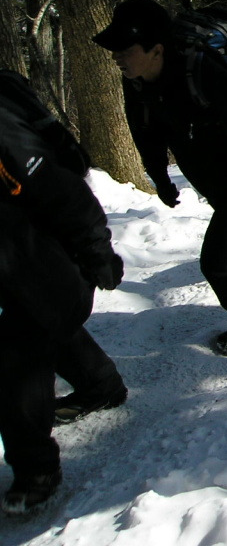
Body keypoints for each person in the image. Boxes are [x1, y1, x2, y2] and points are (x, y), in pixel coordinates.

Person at [93, 0, 227, 356]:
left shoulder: (202, 70)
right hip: (208, 173)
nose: (117, 57)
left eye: (125, 50)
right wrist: (159, 176)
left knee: (216, 262)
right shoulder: (136, 81)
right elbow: (144, 131)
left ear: (156, 49)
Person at [0, 73, 127, 514]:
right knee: (39, 316)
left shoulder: (3, 133)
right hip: (23, 261)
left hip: (42, 254)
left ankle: (36, 470)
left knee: (17, 356)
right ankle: (101, 385)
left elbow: (63, 191)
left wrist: (97, 253)